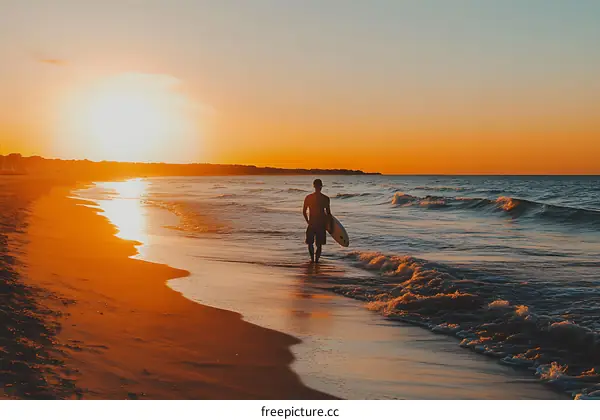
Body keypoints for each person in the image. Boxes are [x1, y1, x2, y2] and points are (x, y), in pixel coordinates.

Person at [303, 179, 332, 263]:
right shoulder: (325, 198)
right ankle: (316, 261)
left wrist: (308, 221)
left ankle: (312, 260)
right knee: (319, 245)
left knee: (310, 243)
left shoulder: (308, 197)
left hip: (312, 223)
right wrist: (329, 225)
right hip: (321, 224)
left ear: (313, 186)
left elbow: (304, 211)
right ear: (321, 187)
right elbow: (328, 213)